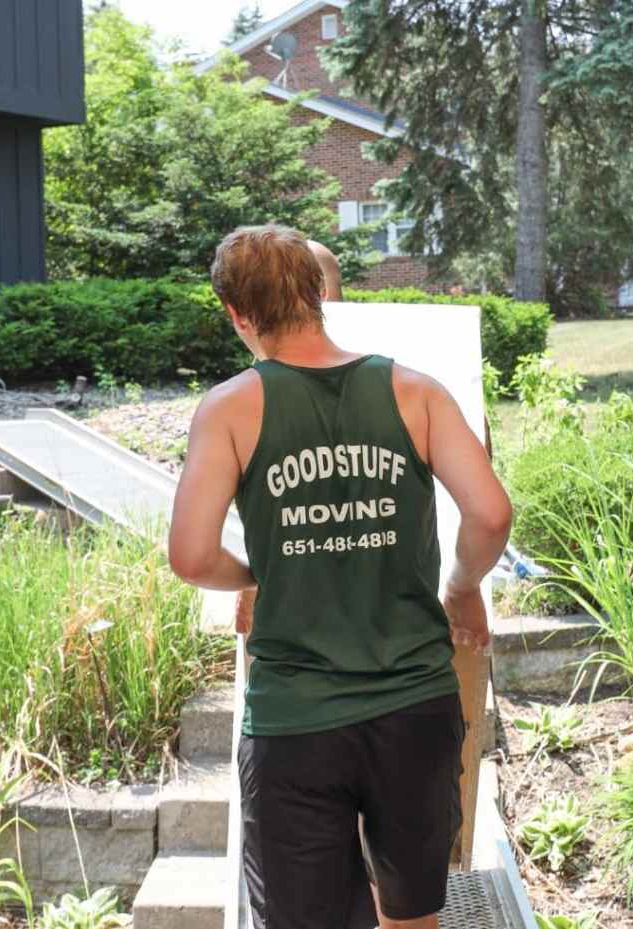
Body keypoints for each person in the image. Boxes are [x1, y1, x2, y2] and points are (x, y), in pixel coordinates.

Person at [168, 224, 512, 929]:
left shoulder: (230, 409)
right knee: (412, 917)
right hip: (414, 710)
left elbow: (191, 556)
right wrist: (461, 586)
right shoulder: (415, 392)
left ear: (237, 314)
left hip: (296, 723)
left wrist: (253, 577)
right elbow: (490, 513)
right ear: (320, 293)